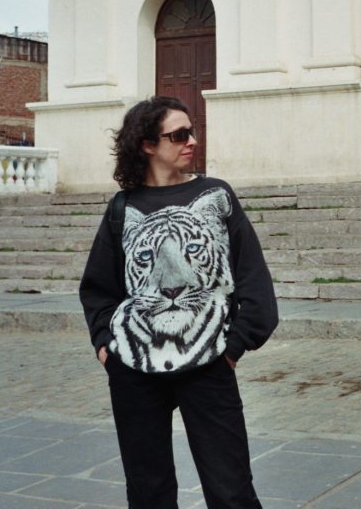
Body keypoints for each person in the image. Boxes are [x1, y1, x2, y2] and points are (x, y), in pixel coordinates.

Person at [79, 95, 278, 508]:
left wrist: (232, 348)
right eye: (179, 134)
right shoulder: (122, 208)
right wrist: (107, 348)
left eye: (192, 131)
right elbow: (98, 288)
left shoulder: (216, 195)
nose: (192, 141)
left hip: (209, 365)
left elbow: (254, 282)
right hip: (135, 372)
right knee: (148, 492)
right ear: (148, 144)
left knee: (232, 491)